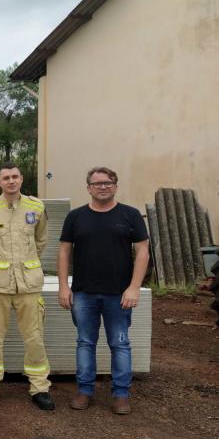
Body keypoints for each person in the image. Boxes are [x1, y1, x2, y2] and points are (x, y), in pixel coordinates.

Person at [58, 167, 149, 415]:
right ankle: (84, 390)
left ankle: (121, 394)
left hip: (119, 294)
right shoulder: (76, 217)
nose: (103, 187)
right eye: (97, 183)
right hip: (83, 293)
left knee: (120, 343)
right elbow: (64, 251)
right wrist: (64, 286)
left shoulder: (130, 215)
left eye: (108, 182)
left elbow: (142, 251)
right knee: (85, 342)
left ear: (115, 186)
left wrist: (134, 288)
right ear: (88, 188)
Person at [0, 163, 55, 410]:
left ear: (21, 179)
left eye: (15, 177)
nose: (11, 181)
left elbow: (41, 240)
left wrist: (25, 265)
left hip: (28, 284)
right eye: (6, 177)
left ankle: (39, 387)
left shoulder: (36, 207)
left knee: (34, 338)